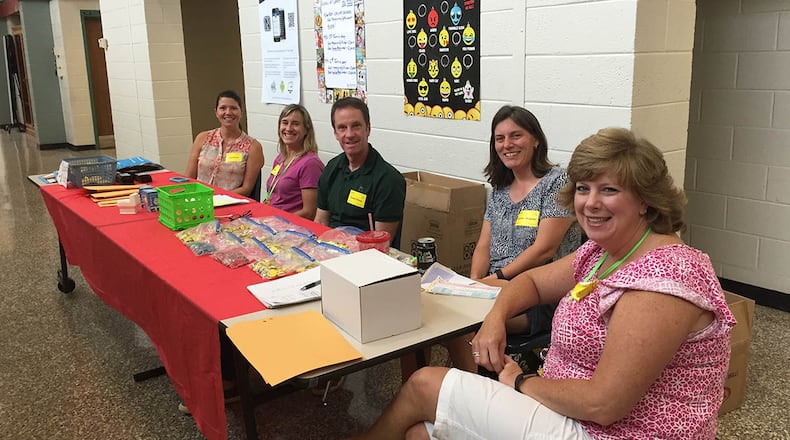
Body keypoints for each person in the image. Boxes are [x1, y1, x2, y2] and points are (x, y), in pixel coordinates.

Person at [352, 128, 736, 440]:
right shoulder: (604, 252)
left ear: (646, 201)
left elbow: (605, 404)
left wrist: (522, 382)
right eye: (584, 189)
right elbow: (533, 282)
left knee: (424, 384)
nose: (590, 203)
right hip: (567, 410)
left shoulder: (665, 277)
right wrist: (495, 317)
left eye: (609, 190)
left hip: (611, 430)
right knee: (421, 434)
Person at [447, 105, 582, 373]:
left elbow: (545, 250)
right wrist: (474, 284)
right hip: (495, 286)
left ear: (535, 139)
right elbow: (483, 244)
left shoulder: (557, 182)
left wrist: (495, 279)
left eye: (516, 135)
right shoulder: (500, 187)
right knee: (443, 318)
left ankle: (476, 393)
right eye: (500, 138)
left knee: (458, 324)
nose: (507, 144)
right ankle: (466, 388)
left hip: (540, 295)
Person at [315, 97, 406, 247]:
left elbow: (381, 245)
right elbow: (320, 221)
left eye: (356, 126)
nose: (349, 134)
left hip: (366, 258)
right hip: (329, 251)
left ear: (368, 129)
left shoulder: (388, 180)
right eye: (342, 128)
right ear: (336, 133)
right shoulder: (331, 168)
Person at [185, 90, 264, 197]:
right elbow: (189, 178)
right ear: (216, 112)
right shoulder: (202, 138)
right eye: (223, 108)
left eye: (233, 108)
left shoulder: (253, 147)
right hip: (199, 201)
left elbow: (246, 189)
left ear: (241, 112)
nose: (228, 112)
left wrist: (217, 197)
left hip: (231, 203)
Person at [264, 104, 324, 219]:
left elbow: (309, 212)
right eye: (285, 123)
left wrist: (276, 220)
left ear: (306, 130)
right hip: (271, 220)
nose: (289, 128)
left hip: (291, 228)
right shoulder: (280, 158)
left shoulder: (310, 164)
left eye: (295, 124)